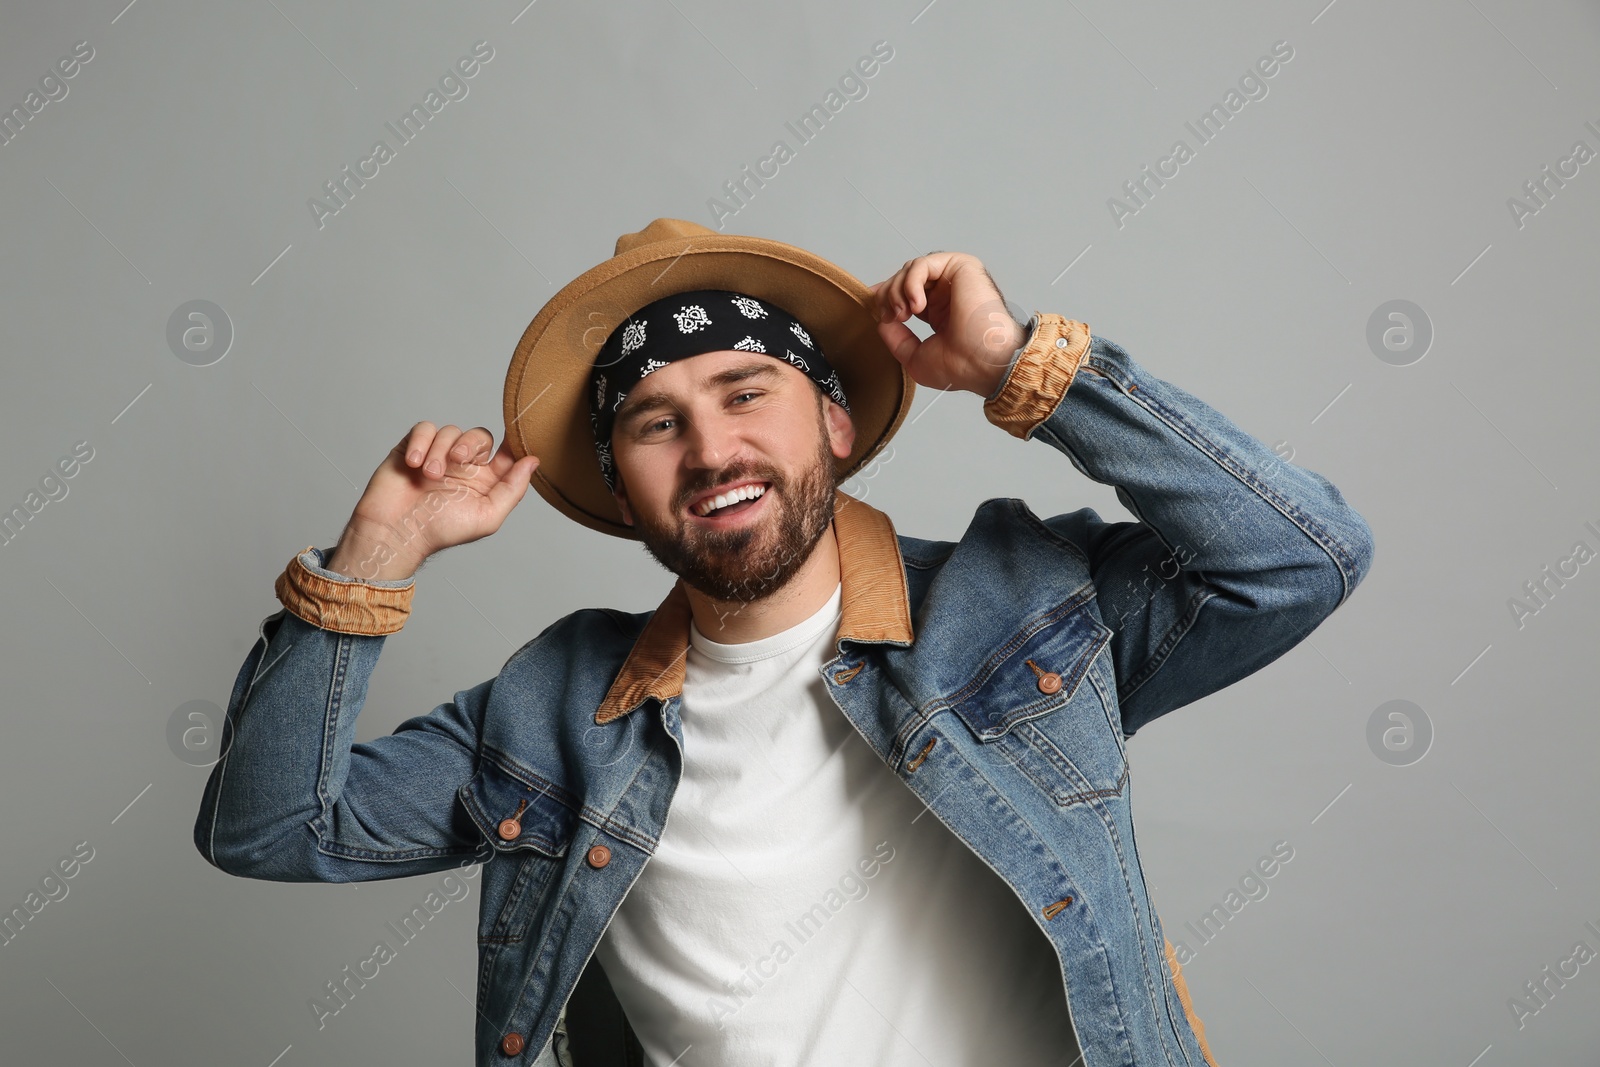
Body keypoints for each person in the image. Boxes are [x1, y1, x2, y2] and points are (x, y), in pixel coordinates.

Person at [194, 218, 1375, 1067]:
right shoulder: (554, 702)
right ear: (624, 486)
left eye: (747, 390)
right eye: (658, 423)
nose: (710, 450)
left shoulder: (1017, 605)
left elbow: (1298, 555)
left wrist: (1027, 369)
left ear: (838, 420)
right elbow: (271, 826)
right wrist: (372, 560)